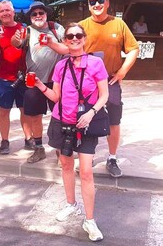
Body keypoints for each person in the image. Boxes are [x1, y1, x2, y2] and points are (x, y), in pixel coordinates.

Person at [34, 23, 108, 242]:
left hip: (85, 123)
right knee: (66, 165)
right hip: (61, 121)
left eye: (78, 35)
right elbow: (56, 97)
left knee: (85, 171)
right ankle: (70, 204)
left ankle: (90, 220)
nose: (74, 39)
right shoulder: (61, 66)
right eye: (70, 36)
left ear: (84, 39)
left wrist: (92, 112)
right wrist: (39, 85)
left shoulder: (96, 63)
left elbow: (104, 95)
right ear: (65, 40)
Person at [79, 0, 139, 178]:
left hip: (110, 80)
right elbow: (70, 49)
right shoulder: (81, 26)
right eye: (92, 2)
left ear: (107, 3)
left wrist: (122, 72)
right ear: (89, 6)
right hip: (86, 83)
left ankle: (111, 158)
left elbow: (133, 49)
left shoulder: (118, 24)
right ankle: (85, 156)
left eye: (100, 0)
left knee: (113, 121)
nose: (96, 4)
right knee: (83, 119)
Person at [11, 1, 66, 163]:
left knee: (60, 116)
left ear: (46, 14)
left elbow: (68, 46)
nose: (38, 16)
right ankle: (39, 148)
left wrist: (51, 42)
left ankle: (60, 149)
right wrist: (15, 40)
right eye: (34, 14)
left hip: (56, 82)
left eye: (41, 13)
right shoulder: (26, 31)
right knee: (34, 117)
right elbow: (17, 44)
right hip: (34, 81)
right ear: (30, 17)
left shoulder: (56, 28)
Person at [0, 0, 32, 155]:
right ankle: (5, 140)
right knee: (4, 111)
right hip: (4, 77)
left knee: (25, 109)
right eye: (2, 11)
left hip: (23, 76)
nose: (5, 13)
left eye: (8, 10)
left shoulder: (24, 29)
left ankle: (28, 138)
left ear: (13, 12)